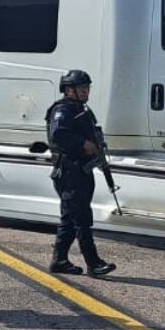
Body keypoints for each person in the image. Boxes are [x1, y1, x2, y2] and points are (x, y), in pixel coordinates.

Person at [44, 69, 117, 277]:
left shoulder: (80, 109)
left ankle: (59, 260)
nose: (86, 92)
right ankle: (94, 263)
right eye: (81, 88)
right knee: (82, 219)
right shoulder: (63, 110)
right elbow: (58, 134)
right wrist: (83, 144)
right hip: (69, 173)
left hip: (81, 171)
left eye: (87, 88)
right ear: (68, 90)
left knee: (70, 218)